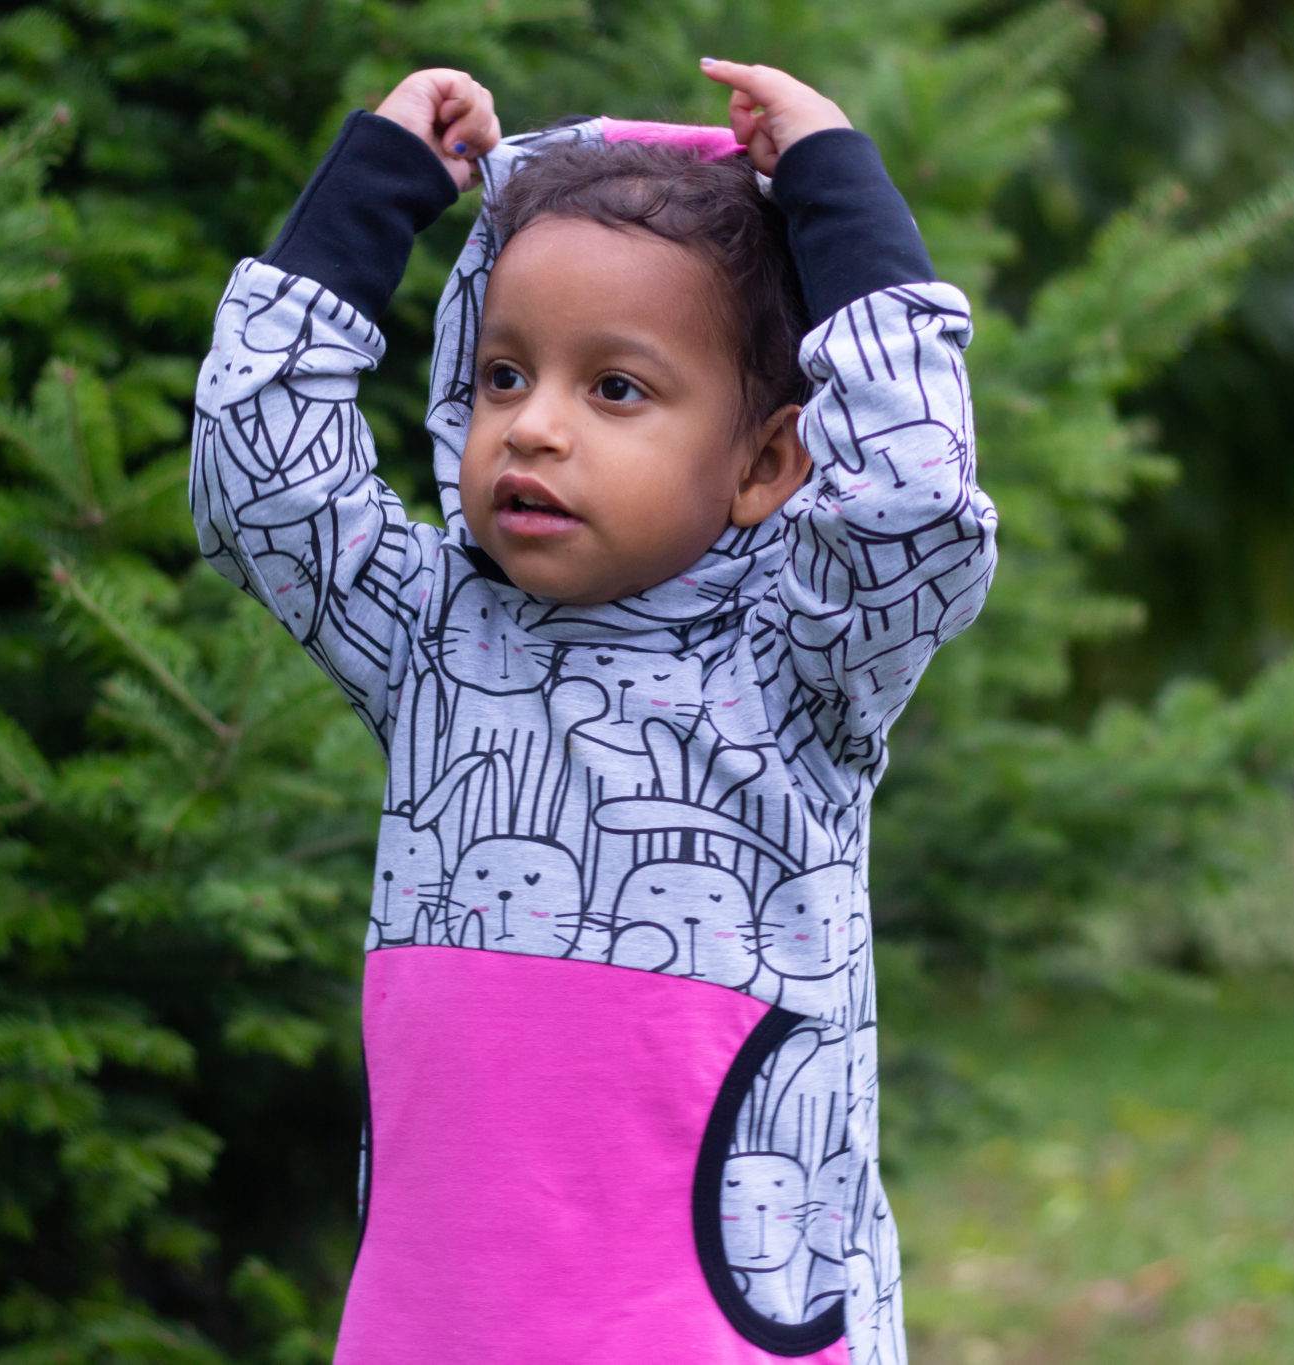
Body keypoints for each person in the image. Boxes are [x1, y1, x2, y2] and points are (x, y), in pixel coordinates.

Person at [190, 57, 996, 1365]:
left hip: (710, 1330)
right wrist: (375, 187)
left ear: (762, 460)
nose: (536, 428)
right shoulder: (432, 634)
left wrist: (841, 192)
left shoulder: (801, 658)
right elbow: (257, 475)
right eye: (505, 376)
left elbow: (915, 504)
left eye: (613, 388)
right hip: (444, 1328)